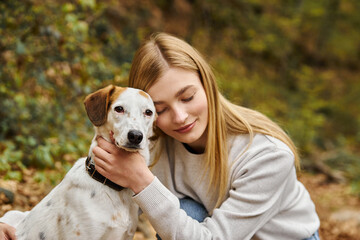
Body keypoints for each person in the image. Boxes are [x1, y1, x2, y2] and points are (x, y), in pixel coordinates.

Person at [0, 32, 320, 240]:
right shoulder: (150, 141)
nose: (179, 117)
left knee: (180, 215)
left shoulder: (268, 154)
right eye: (161, 108)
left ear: (208, 85)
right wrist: (14, 221)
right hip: (209, 230)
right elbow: (75, 200)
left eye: (187, 96)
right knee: (184, 213)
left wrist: (142, 181)